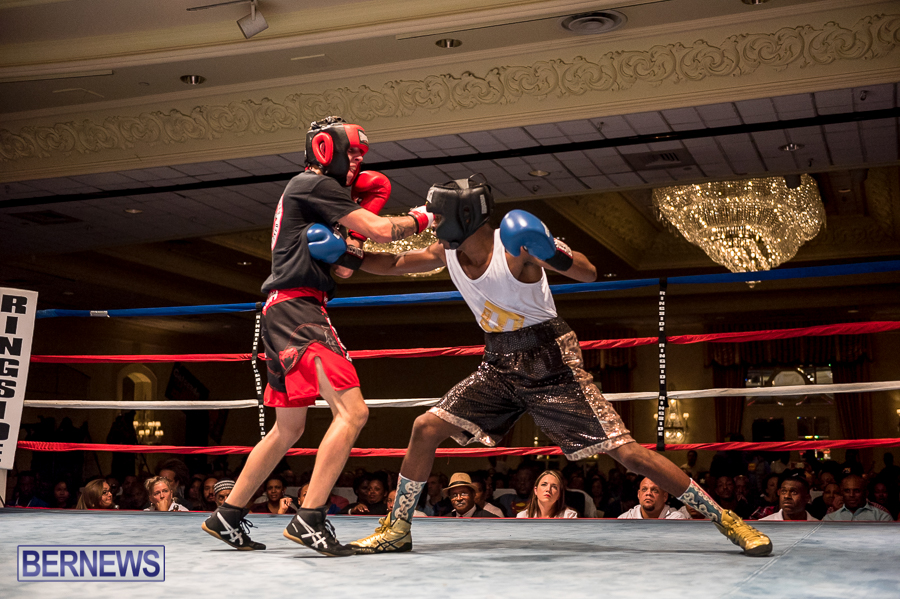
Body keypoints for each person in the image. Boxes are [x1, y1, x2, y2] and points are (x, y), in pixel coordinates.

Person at [347, 177, 772, 555]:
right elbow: (394, 264)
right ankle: (397, 528)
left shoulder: (517, 249)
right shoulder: (448, 250)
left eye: (439, 216)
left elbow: (588, 272)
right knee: (425, 427)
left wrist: (551, 248)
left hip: (550, 360)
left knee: (627, 453)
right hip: (498, 362)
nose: (432, 223)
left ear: (465, 217)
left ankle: (726, 519)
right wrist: (348, 254)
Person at [202, 116, 433, 556]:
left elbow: (355, 266)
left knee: (288, 428)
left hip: (281, 313)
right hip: (298, 313)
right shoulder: (313, 184)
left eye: (361, 155)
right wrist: (427, 216)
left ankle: (227, 516)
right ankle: (310, 517)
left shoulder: (322, 213)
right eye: (353, 152)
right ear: (326, 149)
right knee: (353, 412)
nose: (357, 161)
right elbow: (382, 231)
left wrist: (435, 253)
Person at [823, 475, 893, 522]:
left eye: (856, 491)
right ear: (842, 493)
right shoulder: (830, 519)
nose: (851, 495)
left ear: (866, 493)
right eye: (847, 491)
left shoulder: (881, 518)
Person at [618, 477, 687, 520]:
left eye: (655, 490)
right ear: (638, 494)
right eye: (644, 489)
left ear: (665, 497)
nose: (648, 493)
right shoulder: (625, 519)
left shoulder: (676, 519)